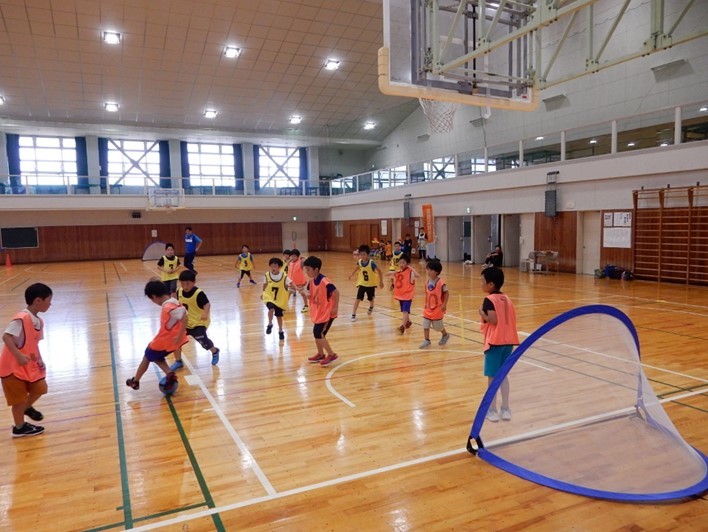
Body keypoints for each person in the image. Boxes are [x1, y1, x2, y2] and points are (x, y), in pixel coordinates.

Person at [0, 283, 53, 437]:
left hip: (28, 365)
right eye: (48, 300)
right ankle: (19, 427)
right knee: (18, 399)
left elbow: (33, 344)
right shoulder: (21, 318)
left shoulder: (39, 322)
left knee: (41, 388)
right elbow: (6, 337)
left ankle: (27, 407)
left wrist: (40, 359)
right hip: (11, 367)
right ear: (38, 301)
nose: (50, 304)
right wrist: (18, 355)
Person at [126, 280, 187, 391]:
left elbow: (184, 316)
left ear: (154, 296)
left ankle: (135, 381)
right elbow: (184, 313)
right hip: (171, 340)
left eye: (151, 299)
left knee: (147, 356)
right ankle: (169, 373)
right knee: (156, 357)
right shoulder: (174, 301)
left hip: (165, 341)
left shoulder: (167, 307)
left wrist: (179, 334)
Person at [479, 267, 519, 422]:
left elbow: (493, 320)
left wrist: (482, 314)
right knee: (503, 376)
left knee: (492, 377)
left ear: (490, 284)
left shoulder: (489, 300)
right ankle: (506, 408)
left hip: (495, 341)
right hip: (508, 341)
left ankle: (492, 409)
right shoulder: (506, 299)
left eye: (482, 282)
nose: (480, 284)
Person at [170, 270, 221, 369]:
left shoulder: (198, 293)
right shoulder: (179, 291)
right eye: (182, 283)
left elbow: (207, 304)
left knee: (203, 341)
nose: (185, 286)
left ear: (194, 282)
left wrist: (205, 313)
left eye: (187, 283)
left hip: (199, 323)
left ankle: (214, 351)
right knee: (176, 339)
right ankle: (178, 361)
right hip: (185, 322)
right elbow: (178, 302)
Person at [304, 256, 340, 367]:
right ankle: (320, 354)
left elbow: (336, 292)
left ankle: (332, 354)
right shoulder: (311, 282)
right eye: (306, 270)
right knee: (317, 333)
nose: (307, 272)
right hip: (318, 312)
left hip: (327, 313)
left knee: (319, 333)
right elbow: (313, 296)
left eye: (308, 270)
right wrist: (307, 296)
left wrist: (335, 307)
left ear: (316, 269)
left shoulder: (325, 281)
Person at [348, 244, 384, 321]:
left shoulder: (372, 263)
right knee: (357, 299)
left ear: (368, 254)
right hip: (362, 283)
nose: (362, 256)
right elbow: (357, 267)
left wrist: (381, 281)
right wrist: (352, 274)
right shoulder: (360, 262)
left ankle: (371, 307)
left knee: (370, 299)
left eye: (364, 254)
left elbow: (380, 271)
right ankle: (353, 314)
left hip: (370, 284)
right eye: (361, 255)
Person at [420, 260, 450, 348]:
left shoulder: (441, 283)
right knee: (425, 324)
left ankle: (445, 335)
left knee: (437, 327)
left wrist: (444, 304)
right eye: (428, 270)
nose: (428, 272)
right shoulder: (427, 282)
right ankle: (427, 340)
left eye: (431, 270)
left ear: (437, 272)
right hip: (428, 307)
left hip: (438, 308)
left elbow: (447, 293)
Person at [262, 257, 290, 341]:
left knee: (279, 316)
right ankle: (270, 324)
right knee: (271, 309)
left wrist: (296, 288)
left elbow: (290, 282)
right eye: (272, 266)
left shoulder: (284, 276)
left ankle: (280, 330)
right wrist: (262, 292)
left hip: (279, 300)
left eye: (275, 266)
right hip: (270, 297)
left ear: (279, 267)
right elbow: (264, 284)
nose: (273, 268)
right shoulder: (267, 275)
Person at [389, 254, 419, 334]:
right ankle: (408, 322)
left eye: (403, 263)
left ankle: (402, 327)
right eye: (400, 263)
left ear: (407, 264)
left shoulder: (410, 272)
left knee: (405, 311)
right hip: (401, 295)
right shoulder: (399, 272)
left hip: (408, 296)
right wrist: (392, 285)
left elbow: (418, 276)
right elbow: (391, 277)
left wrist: (411, 268)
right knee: (404, 311)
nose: (401, 264)